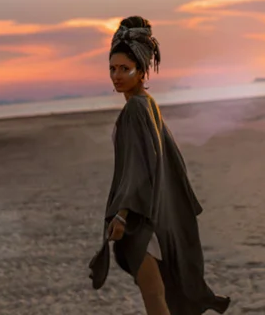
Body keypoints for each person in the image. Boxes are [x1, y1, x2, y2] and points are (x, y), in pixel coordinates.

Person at [89, 16, 230, 315]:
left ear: (141, 70)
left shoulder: (136, 109)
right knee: (159, 294)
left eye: (124, 69)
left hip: (143, 218)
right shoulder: (148, 102)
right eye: (112, 69)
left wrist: (123, 215)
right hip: (155, 213)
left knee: (154, 298)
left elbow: (142, 166)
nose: (116, 76)